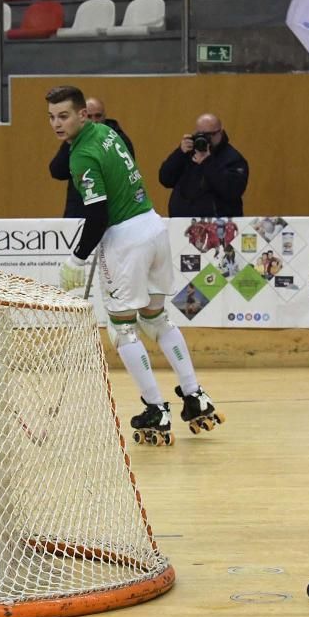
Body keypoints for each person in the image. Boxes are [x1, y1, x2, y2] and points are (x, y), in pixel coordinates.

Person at [46, 85, 224, 444]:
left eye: (63, 116)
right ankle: (195, 396)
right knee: (157, 318)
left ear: (83, 114)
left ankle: (156, 408)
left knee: (123, 329)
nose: (56, 124)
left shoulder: (83, 156)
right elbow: (59, 169)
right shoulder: (107, 132)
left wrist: (76, 259)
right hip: (154, 227)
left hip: (126, 240)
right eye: (51, 117)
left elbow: (96, 215)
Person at [49, 97, 135, 219]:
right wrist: (71, 141)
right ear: (82, 117)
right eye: (89, 116)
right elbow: (57, 171)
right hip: (79, 209)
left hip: (112, 212)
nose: (94, 121)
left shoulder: (116, 137)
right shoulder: (76, 140)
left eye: (98, 116)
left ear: (105, 116)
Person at [158, 113, 249, 218]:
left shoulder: (233, 158)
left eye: (209, 135)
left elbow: (232, 190)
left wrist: (207, 162)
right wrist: (179, 153)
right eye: (200, 135)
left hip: (217, 224)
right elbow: (165, 179)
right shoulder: (188, 153)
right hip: (182, 223)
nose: (205, 139)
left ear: (220, 132)